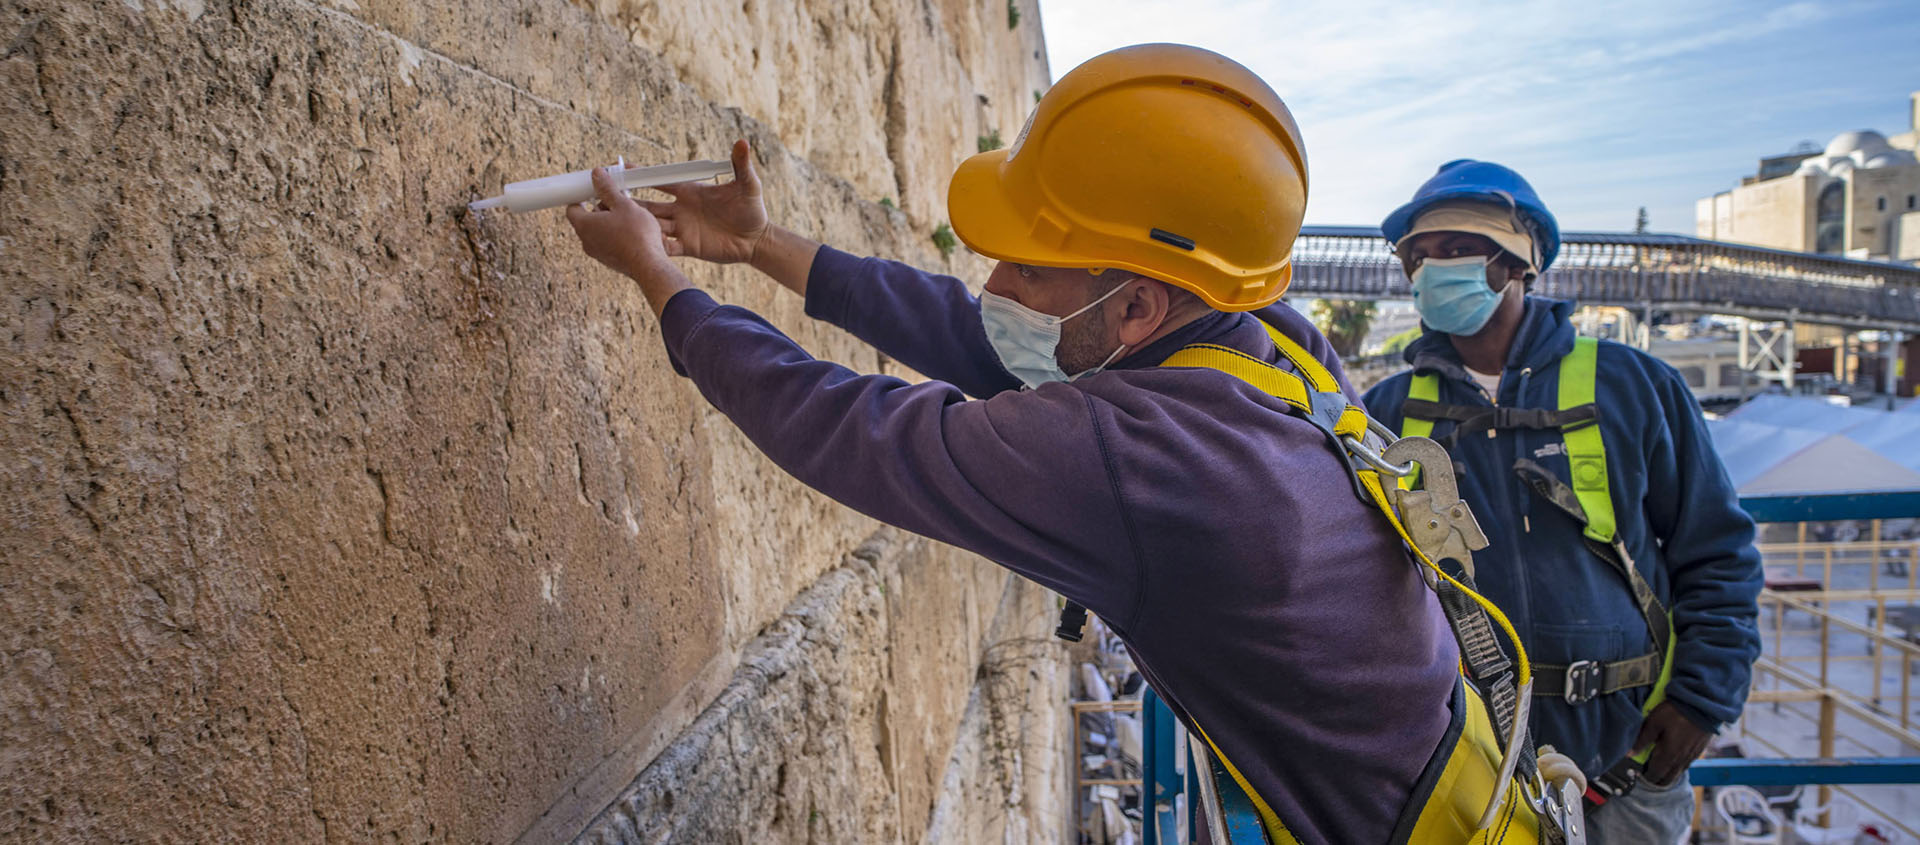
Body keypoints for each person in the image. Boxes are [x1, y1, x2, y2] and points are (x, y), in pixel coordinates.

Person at [564, 45, 1554, 842]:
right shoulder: (1258, 338)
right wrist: (757, 244)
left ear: (1136, 307)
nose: (995, 285)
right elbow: (976, 334)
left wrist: (663, 285)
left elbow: (851, 430)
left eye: (1028, 271)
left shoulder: (1145, 460)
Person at [1360, 160, 1763, 843]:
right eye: (1417, 255)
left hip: (1627, 764)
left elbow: (1717, 553)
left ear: (1518, 261)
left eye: (1457, 249)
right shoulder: (1390, 413)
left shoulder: (1632, 388)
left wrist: (1702, 698)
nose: (1432, 268)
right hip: (1464, 770)